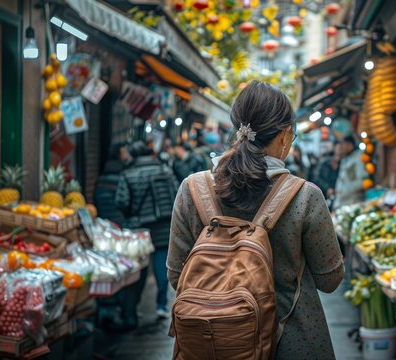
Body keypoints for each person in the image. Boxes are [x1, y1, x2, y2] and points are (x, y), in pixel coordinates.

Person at [167, 81, 344, 359]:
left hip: (212, 342)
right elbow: (330, 279)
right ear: (285, 135)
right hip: (293, 342)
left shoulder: (192, 190)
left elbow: (176, 275)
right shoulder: (305, 196)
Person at [116, 141, 178, 325]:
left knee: (139, 270)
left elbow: (121, 201)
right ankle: (161, 305)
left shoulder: (128, 173)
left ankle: (133, 311)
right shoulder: (165, 170)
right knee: (161, 267)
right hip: (163, 226)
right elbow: (176, 193)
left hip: (138, 229)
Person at [93, 143, 130, 225]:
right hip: (119, 222)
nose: (127, 156)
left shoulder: (102, 175)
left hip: (102, 221)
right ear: (119, 155)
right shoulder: (122, 176)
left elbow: (95, 199)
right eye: (125, 152)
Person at [332, 136, 366, 210]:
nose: (341, 147)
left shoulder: (358, 158)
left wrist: (345, 192)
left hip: (352, 203)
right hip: (341, 203)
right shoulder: (345, 158)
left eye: (342, 144)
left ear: (350, 145)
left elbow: (362, 182)